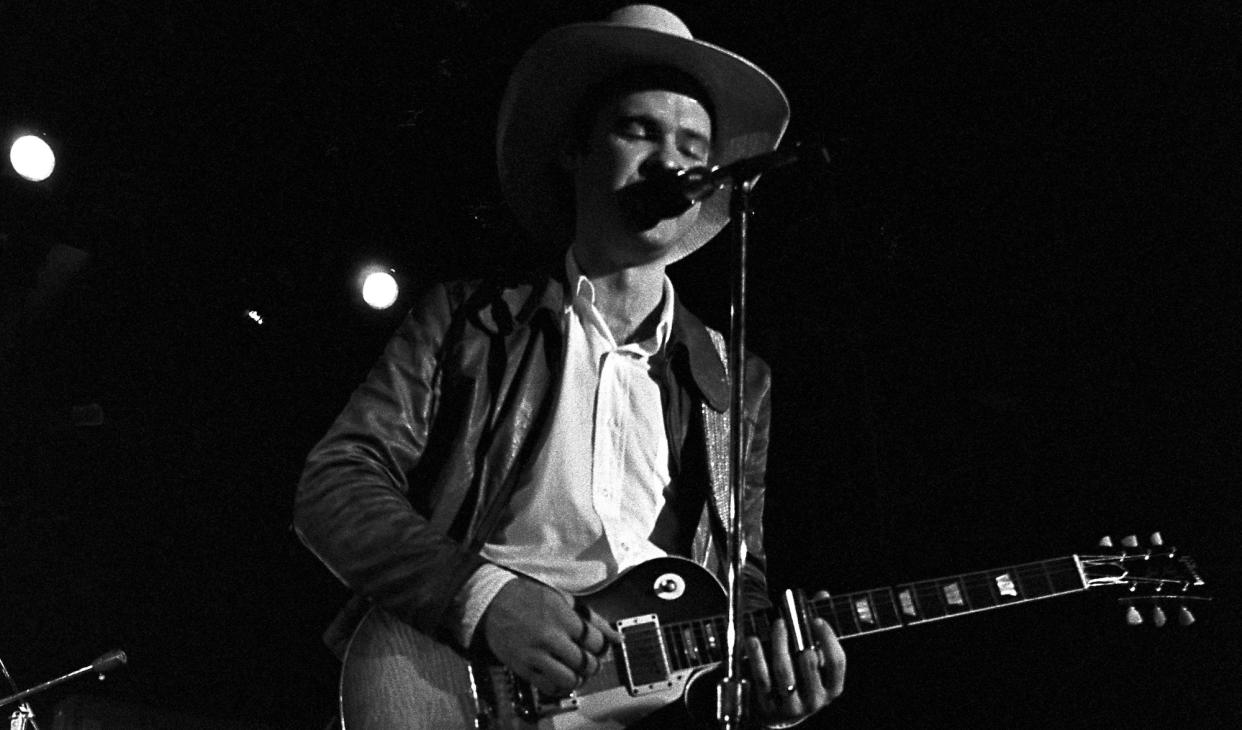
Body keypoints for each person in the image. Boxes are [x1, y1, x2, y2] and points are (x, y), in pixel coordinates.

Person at [294, 5, 845, 727]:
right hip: (468, 687)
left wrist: (773, 689)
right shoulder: (471, 322)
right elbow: (336, 483)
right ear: (574, 150)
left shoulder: (735, 380)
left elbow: (739, 584)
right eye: (637, 130)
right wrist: (484, 599)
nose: (670, 162)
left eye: (693, 145)